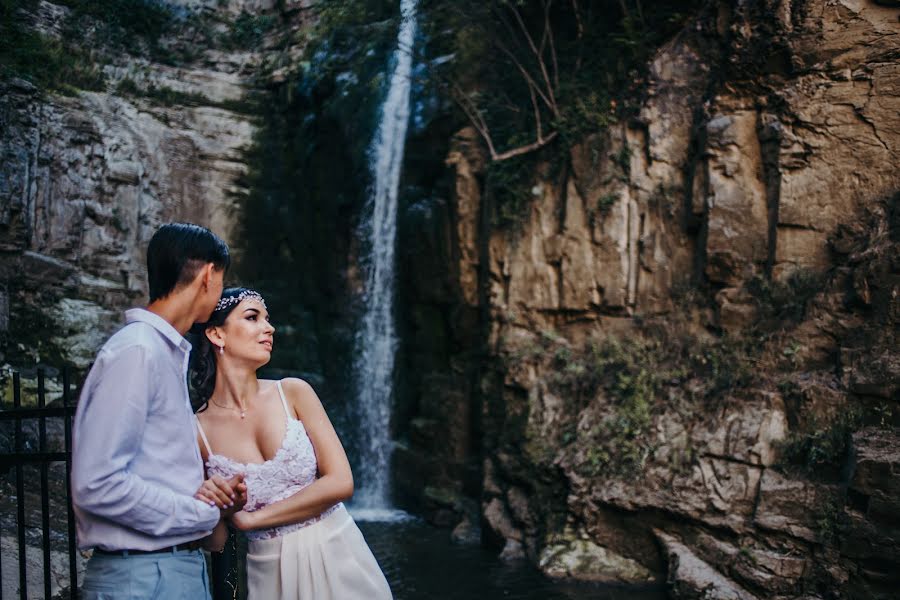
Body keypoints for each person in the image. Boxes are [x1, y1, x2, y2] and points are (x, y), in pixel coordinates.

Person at [72, 223, 248, 600]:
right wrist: (198, 513)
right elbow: (97, 483)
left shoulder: (163, 354)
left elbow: (151, 468)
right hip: (144, 576)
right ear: (207, 276)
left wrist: (202, 493)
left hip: (164, 571)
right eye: (222, 280)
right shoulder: (137, 352)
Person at [190, 287, 393, 600]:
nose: (269, 328)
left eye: (268, 319)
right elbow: (215, 543)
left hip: (339, 551)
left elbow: (341, 481)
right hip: (269, 571)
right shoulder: (196, 430)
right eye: (252, 317)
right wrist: (218, 509)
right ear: (217, 334)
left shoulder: (294, 393)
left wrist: (250, 519)